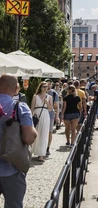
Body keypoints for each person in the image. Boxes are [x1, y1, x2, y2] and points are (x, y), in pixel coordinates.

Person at [0, 75, 37, 208]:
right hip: (12, 168)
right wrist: (34, 131)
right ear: (16, 88)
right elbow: (28, 137)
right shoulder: (19, 107)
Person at [30, 81, 52, 162]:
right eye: (43, 86)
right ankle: (31, 151)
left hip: (45, 115)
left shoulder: (49, 97)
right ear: (40, 87)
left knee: (43, 134)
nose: (45, 88)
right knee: (35, 133)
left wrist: (46, 102)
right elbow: (32, 107)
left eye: (46, 86)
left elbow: (51, 109)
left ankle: (41, 154)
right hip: (36, 114)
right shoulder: (35, 96)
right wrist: (30, 117)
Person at [45, 79, 59, 156]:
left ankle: (47, 147)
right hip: (42, 115)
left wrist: (57, 116)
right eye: (47, 84)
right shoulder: (40, 93)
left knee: (50, 132)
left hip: (50, 114)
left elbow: (56, 106)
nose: (49, 85)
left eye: (50, 84)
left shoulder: (54, 93)